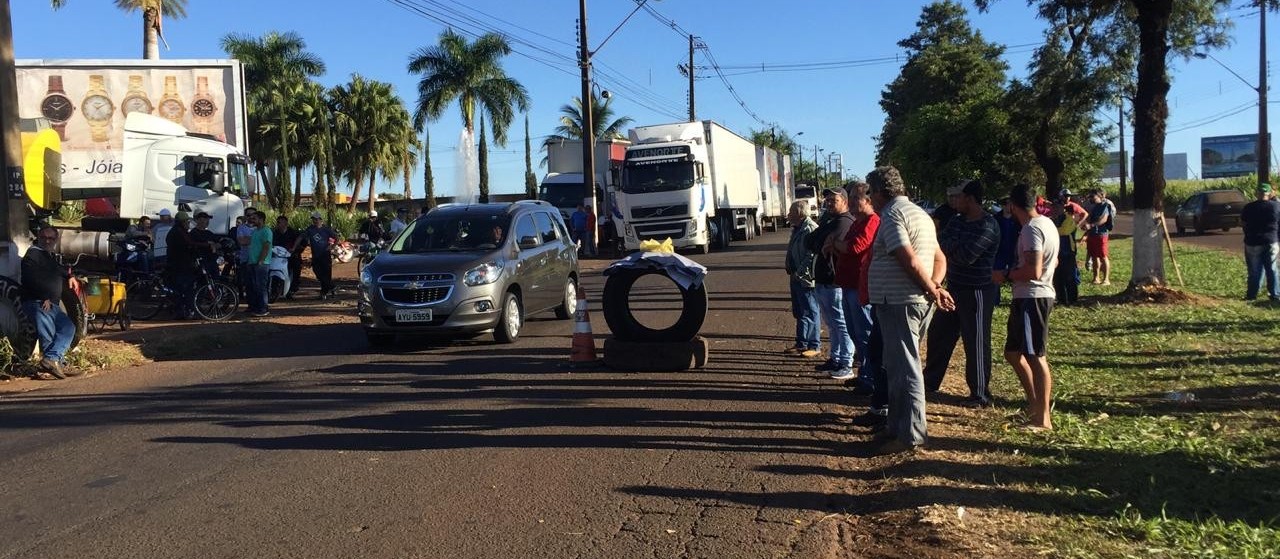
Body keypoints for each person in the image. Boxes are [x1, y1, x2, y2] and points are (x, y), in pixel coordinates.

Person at [866, 165, 953, 454]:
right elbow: (940, 258)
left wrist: (930, 288)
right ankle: (896, 427)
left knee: (905, 369)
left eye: (870, 193)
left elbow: (910, 260)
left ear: (879, 192)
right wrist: (936, 286)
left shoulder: (892, 215)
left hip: (900, 302)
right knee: (898, 366)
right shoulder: (921, 215)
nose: (870, 199)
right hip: (913, 300)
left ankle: (911, 435)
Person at [923, 179, 1001, 407]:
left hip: (977, 291)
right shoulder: (957, 220)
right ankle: (929, 383)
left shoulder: (988, 225)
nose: (954, 201)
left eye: (959, 197)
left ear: (970, 198)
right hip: (954, 288)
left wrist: (951, 248)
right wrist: (951, 247)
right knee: (939, 335)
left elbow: (967, 256)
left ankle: (979, 394)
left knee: (975, 341)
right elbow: (940, 245)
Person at [995, 183, 1059, 431]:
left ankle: (1043, 420)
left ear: (1013, 204)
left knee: (1035, 356)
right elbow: (1055, 260)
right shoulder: (1046, 224)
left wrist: (1007, 275)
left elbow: (1034, 270)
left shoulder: (1032, 229)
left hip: (1034, 297)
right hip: (1026, 297)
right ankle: (1034, 406)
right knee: (1013, 353)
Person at [20, 226, 82, 380]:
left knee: (68, 327)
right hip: (39, 302)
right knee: (47, 335)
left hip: (51, 304)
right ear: (38, 237)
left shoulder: (47, 256)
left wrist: (70, 277)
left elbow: (59, 269)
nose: (47, 241)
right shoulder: (33, 254)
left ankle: (54, 361)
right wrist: (43, 297)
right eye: (44, 237)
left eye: (51, 238)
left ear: (56, 239)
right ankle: (51, 364)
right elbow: (29, 278)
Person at [835, 188, 880, 394]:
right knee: (855, 332)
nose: (851, 202)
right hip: (848, 284)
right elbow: (846, 245)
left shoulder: (872, 221)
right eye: (850, 198)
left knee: (865, 333)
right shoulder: (857, 222)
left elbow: (855, 247)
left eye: (856, 198)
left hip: (861, 287)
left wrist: (835, 243)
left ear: (868, 200)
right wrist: (840, 245)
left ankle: (870, 379)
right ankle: (864, 372)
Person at [809, 189, 856, 380]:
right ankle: (835, 358)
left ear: (844, 201)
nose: (829, 203)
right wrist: (822, 241)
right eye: (827, 199)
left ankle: (846, 362)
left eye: (833, 200)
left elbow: (820, 241)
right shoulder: (828, 221)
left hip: (834, 281)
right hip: (823, 280)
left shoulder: (844, 221)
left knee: (840, 323)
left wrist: (825, 241)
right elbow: (810, 241)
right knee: (831, 323)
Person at [783, 200, 821, 358]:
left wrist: (799, 272)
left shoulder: (810, 228)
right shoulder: (798, 228)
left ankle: (814, 344)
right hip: (796, 276)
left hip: (805, 278)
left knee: (810, 311)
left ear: (799, 213)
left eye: (791, 212)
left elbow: (812, 255)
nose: (788, 215)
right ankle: (801, 343)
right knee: (800, 311)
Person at [1241, 183, 1280, 301]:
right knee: (1272, 269)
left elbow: (1243, 224)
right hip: (1271, 240)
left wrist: (1248, 234)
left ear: (1257, 193)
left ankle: (1251, 295)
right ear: (1269, 193)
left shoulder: (1248, 207)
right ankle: (1275, 295)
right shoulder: (1276, 206)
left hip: (1252, 241)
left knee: (1254, 270)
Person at [296, 211, 341, 299]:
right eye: (313, 219)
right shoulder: (310, 229)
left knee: (326, 274)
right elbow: (301, 237)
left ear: (320, 219)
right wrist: (295, 246)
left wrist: (332, 246)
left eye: (317, 219)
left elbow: (336, 238)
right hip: (316, 255)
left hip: (325, 255)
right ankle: (332, 286)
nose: (315, 221)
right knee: (318, 273)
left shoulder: (326, 229)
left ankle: (324, 293)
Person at [165, 211, 198, 319]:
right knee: (184, 288)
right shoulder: (180, 232)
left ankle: (180, 310)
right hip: (181, 265)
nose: (189, 223)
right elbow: (189, 245)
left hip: (175, 264)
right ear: (183, 222)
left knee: (179, 289)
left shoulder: (175, 231)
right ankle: (182, 311)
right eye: (187, 221)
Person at [1051, 198, 1081, 306]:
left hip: (1068, 252)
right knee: (1058, 277)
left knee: (1070, 276)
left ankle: (1073, 299)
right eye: (1054, 207)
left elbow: (1064, 231)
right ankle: (1061, 299)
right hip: (1056, 252)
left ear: (1062, 208)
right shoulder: (1051, 220)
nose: (1055, 209)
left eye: (1058, 207)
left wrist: (1051, 230)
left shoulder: (1069, 219)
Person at [1081, 189, 1114, 285]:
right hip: (1092, 234)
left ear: (1100, 196)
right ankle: (1096, 278)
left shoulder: (1105, 206)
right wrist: (1085, 229)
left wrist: (1091, 225)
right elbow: (1089, 219)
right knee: (1094, 256)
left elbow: (1103, 219)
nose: (1090, 199)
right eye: (1090, 197)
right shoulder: (1094, 207)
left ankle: (1106, 279)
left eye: (1092, 197)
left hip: (1101, 234)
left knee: (1103, 256)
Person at [247, 211, 273, 316]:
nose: (252, 220)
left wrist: (261, 260)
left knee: (261, 286)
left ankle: (263, 308)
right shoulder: (254, 231)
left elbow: (266, 246)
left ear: (261, 219)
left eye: (254, 218)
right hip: (252, 262)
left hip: (262, 263)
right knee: (254, 286)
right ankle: (255, 307)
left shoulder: (266, 231)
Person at [273, 215, 302, 298]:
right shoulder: (275, 233)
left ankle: (293, 288)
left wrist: (294, 249)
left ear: (285, 223)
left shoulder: (293, 233)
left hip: (291, 257)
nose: (277, 224)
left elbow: (301, 240)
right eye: (277, 222)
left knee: (296, 267)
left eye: (279, 222)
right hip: (279, 257)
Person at [189, 211, 221, 279]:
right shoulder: (193, 233)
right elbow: (194, 245)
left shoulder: (209, 233)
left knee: (216, 282)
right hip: (201, 263)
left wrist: (215, 245)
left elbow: (218, 243)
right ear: (198, 220)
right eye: (205, 219)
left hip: (212, 262)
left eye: (207, 219)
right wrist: (208, 244)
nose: (207, 221)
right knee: (203, 283)